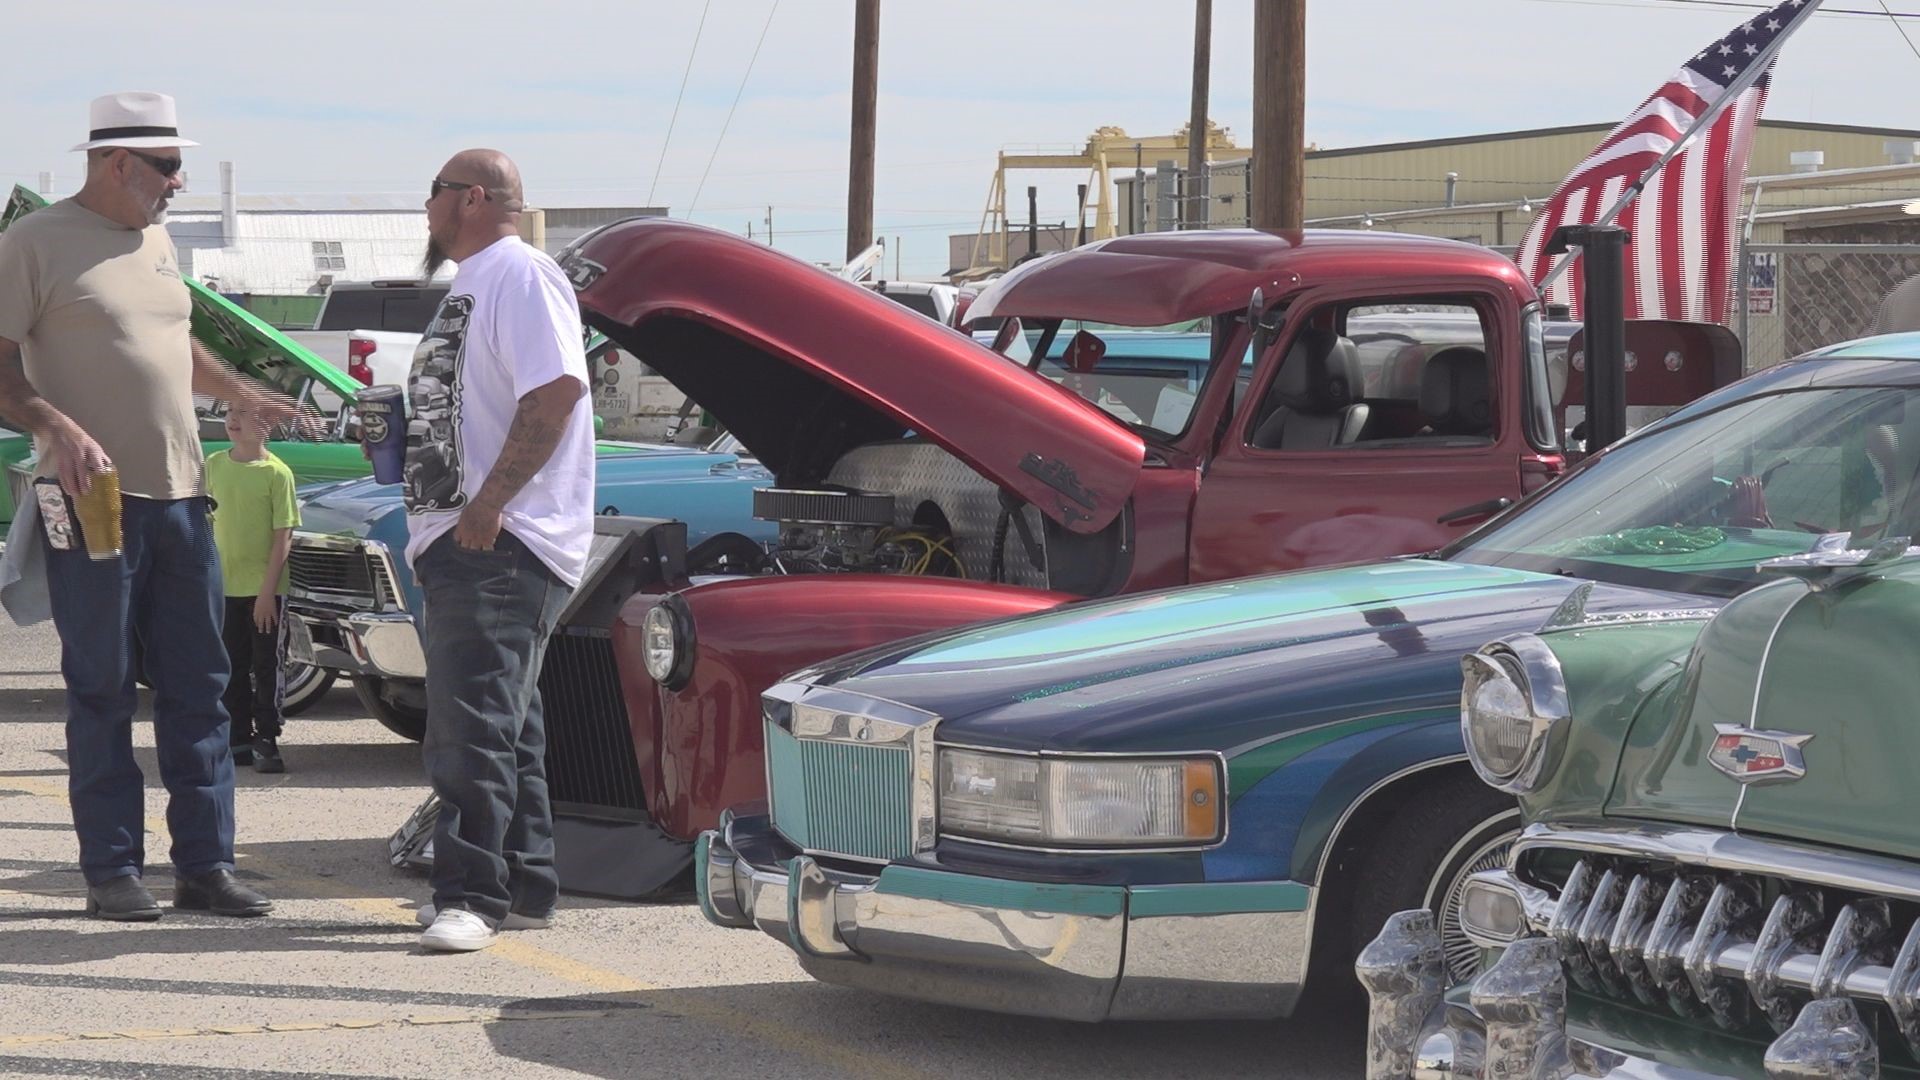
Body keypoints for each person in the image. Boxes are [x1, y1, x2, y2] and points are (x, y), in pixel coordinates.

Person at [0, 92, 295, 920]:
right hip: (92, 501)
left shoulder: (157, 241)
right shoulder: (32, 243)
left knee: (201, 685)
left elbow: (171, 339)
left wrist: (240, 388)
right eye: (167, 166)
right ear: (116, 162)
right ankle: (113, 872)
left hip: (181, 501)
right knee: (101, 687)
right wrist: (55, 424)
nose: (179, 181)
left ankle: (206, 865)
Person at [404, 149, 595, 952]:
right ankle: (524, 883)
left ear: (472, 198)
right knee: (506, 725)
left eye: (435, 193)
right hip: (469, 540)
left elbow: (555, 392)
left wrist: (487, 505)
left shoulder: (518, 274)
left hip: (499, 542)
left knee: (470, 727)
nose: (426, 208)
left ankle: (471, 896)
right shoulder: (476, 283)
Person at [207, 401, 300, 774]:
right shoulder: (213, 465)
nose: (232, 419)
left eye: (244, 413)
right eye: (230, 411)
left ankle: (267, 737)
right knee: (230, 663)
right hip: (224, 588)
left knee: (267, 665)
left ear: (268, 425)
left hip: (265, 592)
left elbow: (283, 537)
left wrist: (266, 593)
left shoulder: (277, 474)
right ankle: (238, 738)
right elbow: (203, 520)